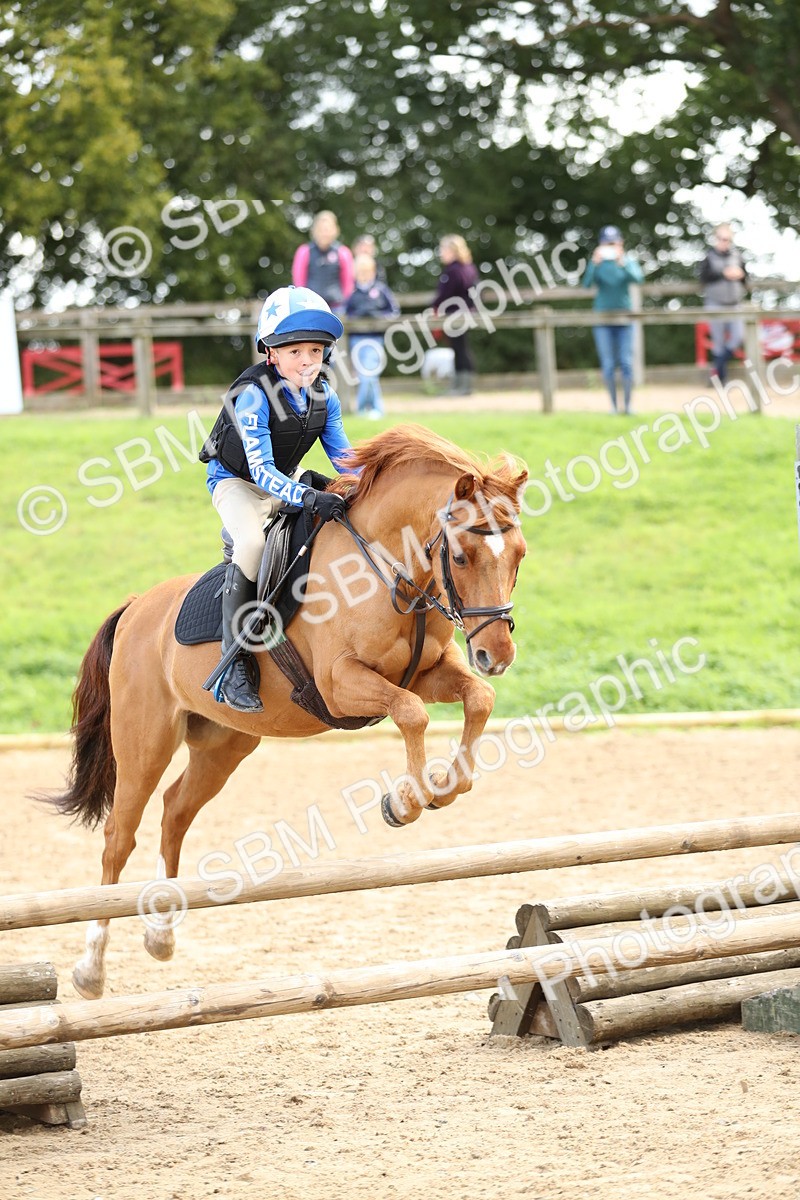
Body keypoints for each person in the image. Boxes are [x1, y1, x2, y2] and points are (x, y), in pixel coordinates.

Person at [200, 286, 350, 713]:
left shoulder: (325, 396)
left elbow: (346, 459)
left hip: (285, 480)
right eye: (296, 351)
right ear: (272, 353)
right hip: (237, 484)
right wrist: (306, 495)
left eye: (316, 351)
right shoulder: (252, 395)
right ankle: (234, 660)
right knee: (251, 543)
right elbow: (261, 470)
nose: (307, 361)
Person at [582, 225, 644, 414]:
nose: (610, 246)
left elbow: (639, 279)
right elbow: (586, 284)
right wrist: (594, 263)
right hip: (603, 321)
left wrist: (622, 262)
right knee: (608, 365)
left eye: (613, 242)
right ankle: (613, 407)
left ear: (620, 243)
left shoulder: (626, 262)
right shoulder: (599, 264)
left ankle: (628, 406)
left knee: (626, 363)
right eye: (607, 243)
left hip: (624, 321)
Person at [344, 253, 399, 418]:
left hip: (375, 338)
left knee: (369, 374)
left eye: (367, 271)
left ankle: (363, 409)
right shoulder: (352, 293)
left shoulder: (381, 290)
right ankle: (375, 409)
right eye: (360, 271)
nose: (364, 274)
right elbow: (346, 314)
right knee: (365, 375)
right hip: (356, 340)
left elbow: (394, 311)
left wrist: (379, 317)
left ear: (373, 271)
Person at [698, 223, 748, 384]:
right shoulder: (708, 256)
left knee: (738, 338)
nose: (724, 242)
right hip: (715, 303)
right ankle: (721, 379)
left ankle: (716, 373)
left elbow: (746, 278)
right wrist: (723, 273)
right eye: (721, 238)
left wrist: (741, 274)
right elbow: (703, 277)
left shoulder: (737, 256)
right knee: (718, 343)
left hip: (735, 303)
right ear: (715, 238)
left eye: (727, 239)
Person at [433, 234, 479, 396]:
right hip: (466, 313)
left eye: (443, 249)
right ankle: (464, 386)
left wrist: (434, 305)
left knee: (459, 349)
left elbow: (444, 295)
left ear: (452, 251)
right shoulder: (469, 268)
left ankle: (461, 387)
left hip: (454, 314)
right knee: (462, 348)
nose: (441, 253)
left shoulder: (453, 271)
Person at [291, 211, 354, 312]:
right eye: (321, 229)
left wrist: (345, 303)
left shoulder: (343, 253)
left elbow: (348, 283)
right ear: (314, 231)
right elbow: (299, 282)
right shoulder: (304, 251)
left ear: (336, 230)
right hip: (310, 306)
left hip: (337, 307)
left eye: (328, 229)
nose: (324, 233)